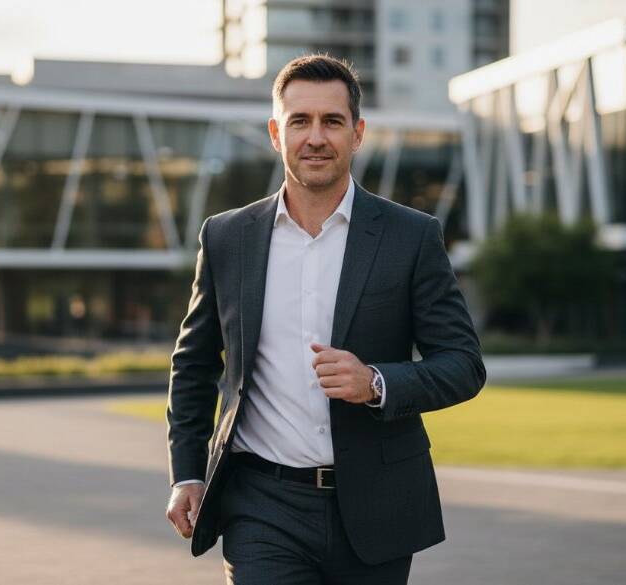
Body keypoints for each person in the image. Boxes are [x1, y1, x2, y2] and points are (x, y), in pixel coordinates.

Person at [165, 54, 485, 585]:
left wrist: (376, 382)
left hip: (378, 506)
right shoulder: (226, 238)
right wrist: (189, 473)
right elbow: (194, 365)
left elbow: (463, 364)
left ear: (357, 133)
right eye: (300, 121)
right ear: (276, 132)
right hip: (261, 506)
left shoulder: (411, 237)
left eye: (332, 121)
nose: (316, 137)